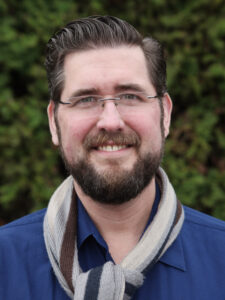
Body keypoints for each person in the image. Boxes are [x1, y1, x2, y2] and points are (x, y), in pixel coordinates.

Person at [0, 15, 224, 300]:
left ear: (165, 114)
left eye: (130, 96)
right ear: (53, 122)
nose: (110, 121)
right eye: (86, 100)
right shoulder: (5, 264)